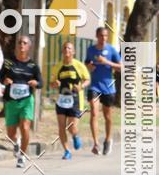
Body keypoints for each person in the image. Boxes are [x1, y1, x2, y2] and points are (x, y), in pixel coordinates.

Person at [0, 35, 43, 168]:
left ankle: (22, 155)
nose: (21, 45)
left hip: (26, 100)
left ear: (29, 47)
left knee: (25, 127)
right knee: (10, 133)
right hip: (11, 101)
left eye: (24, 43)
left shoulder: (33, 66)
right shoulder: (9, 62)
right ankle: (16, 142)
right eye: (19, 43)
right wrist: (4, 80)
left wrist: (36, 83)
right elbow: (0, 77)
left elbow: (41, 83)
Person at [84, 26, 122, 155]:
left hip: (108, 87)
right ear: (97, 36)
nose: (103, 38)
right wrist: (89, 67)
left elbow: (121, 67)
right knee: (94, 113)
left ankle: (107, 139)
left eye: (105, 36)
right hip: (94, 86)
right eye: (101, 35)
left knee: (107, 116)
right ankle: (96, 143)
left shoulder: (112, 50)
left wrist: (107, 62)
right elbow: (86, 65)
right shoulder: (91, 50)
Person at [51, 41, 91, 160]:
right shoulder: (57, 67)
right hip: (62, 100)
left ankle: (75, 135)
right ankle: (67, 151)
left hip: (75, 100)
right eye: (65, 48)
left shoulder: (79, 65)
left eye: (69, 48)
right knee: (61, 126)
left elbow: (87, 79)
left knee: (71, 127)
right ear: (62, 51)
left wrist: (82, 86)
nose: (67, 50)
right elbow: (52, 83)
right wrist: (54, 83)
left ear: (73, 51)